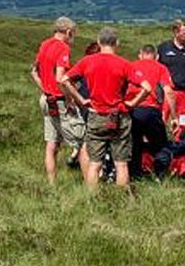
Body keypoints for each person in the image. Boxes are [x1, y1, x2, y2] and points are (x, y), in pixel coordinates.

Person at [59, 27, 151, 188]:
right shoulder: (124, 64)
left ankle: (91, 200)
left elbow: (63, 80)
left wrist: (80, 99)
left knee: (95, 163)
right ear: (117, 43)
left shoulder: (87, 61)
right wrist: (133, 103)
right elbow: (147, 87)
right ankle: (120, 197)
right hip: (119, 115)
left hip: (96, 115)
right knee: (121, 164)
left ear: (99, 42)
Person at [29, 17, 87, 183]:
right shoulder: (63, 49)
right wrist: (74, 98)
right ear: (68, 32)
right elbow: (61, 78)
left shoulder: (44, 44)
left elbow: (34, 71)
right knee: (83, 143)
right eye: (73, 34)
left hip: (46, 99)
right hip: (60, 100)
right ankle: (90, 185)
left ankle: (52, 184)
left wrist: (45, 89)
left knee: (52, 143)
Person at [127, 45, 177, 177]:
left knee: (135, 145)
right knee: (161, 145)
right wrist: (174, 116)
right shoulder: (161, 68)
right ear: (157, 57)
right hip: (151, 111)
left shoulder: (131, 66)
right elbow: (169, 92)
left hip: (133, 110)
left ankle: (135, 175)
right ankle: (161, 174)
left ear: (140, 54)